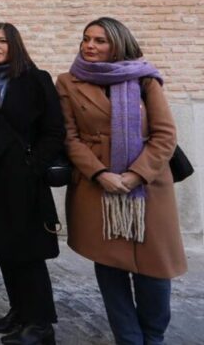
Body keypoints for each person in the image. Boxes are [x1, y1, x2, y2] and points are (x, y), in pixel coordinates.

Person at [57, 17, 186, 345]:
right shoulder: (68, 82)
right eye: (86, 39)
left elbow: (165, 135)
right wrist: (101, 174)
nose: (90, 45)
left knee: (155, 270)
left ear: (117, 43)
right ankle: (128, 338)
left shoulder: (145, 78)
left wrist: (134, 175)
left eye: (100, 40)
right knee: (110, 267)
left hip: (148, 187)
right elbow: (69, 138)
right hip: (96, 186)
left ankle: (153, 336)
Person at [0, 23, 64, 345]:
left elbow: (54, 130)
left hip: (23, 181)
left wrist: (32, 166)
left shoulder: (36, 79)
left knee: (28, 253)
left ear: (15, 45)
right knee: (5, 250)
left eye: (2, 41)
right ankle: (20, 311)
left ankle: (41, 324)